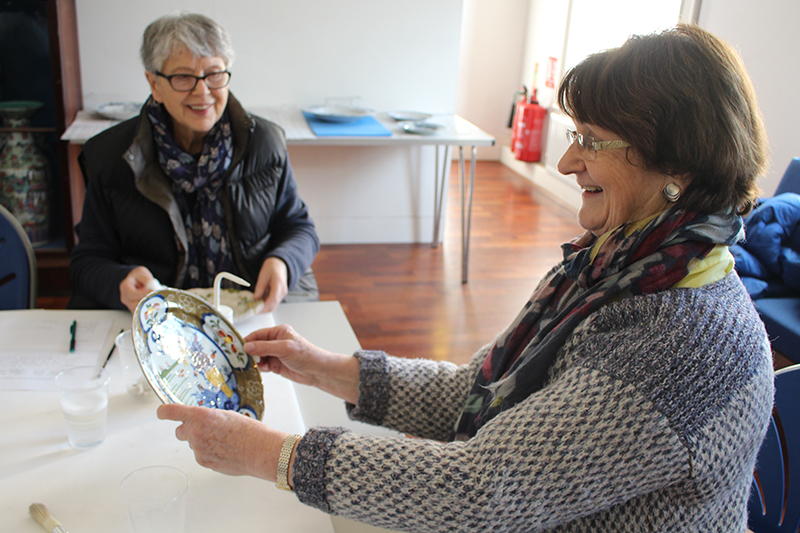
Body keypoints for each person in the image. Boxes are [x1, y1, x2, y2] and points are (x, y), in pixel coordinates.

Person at [158, 24, 775, 531]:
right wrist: (326, 366)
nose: (565, 160)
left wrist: (267, 453)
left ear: (680, 166)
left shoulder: (680, 342)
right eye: (575, 134)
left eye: (593, 141)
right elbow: (476, 389)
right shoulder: (617, 267)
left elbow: (485, 490)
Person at [69, 12, 319, 313]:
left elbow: (299, 227)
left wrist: (283, 262)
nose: (203, 92)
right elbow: (88, 261)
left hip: (249, 310)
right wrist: (119, 282)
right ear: (154, 84)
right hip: (161, 320)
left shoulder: (264, 142)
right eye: (183, 77)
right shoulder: (113, 156)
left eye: (214, 74)